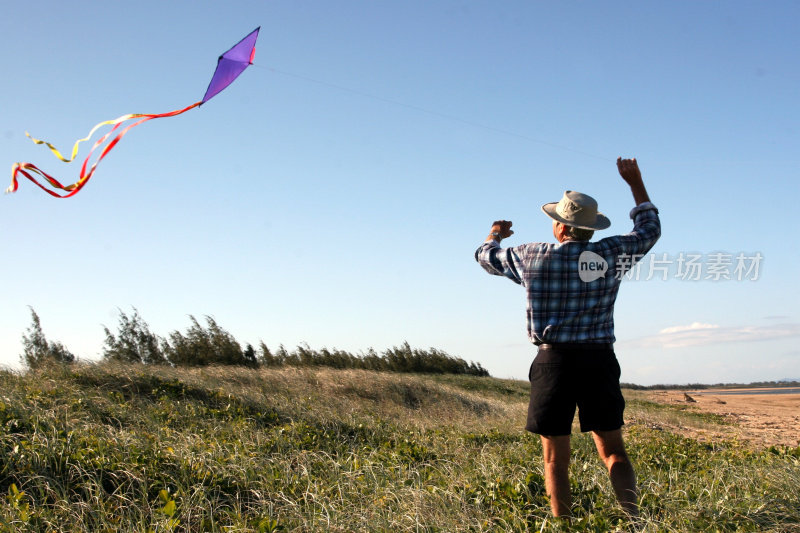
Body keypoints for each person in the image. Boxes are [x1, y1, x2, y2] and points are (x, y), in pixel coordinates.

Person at [474, 157, 660, 518]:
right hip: (599, 360)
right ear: (590, 229)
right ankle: (634, 521)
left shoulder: (530, 256)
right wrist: (635, 182)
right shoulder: (611, 253)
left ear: (560, 227)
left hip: (553, 361)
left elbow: (484, 256)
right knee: (613, 450)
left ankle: (565, 526)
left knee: (555, 458)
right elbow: (649, 229)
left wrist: (495, 232)